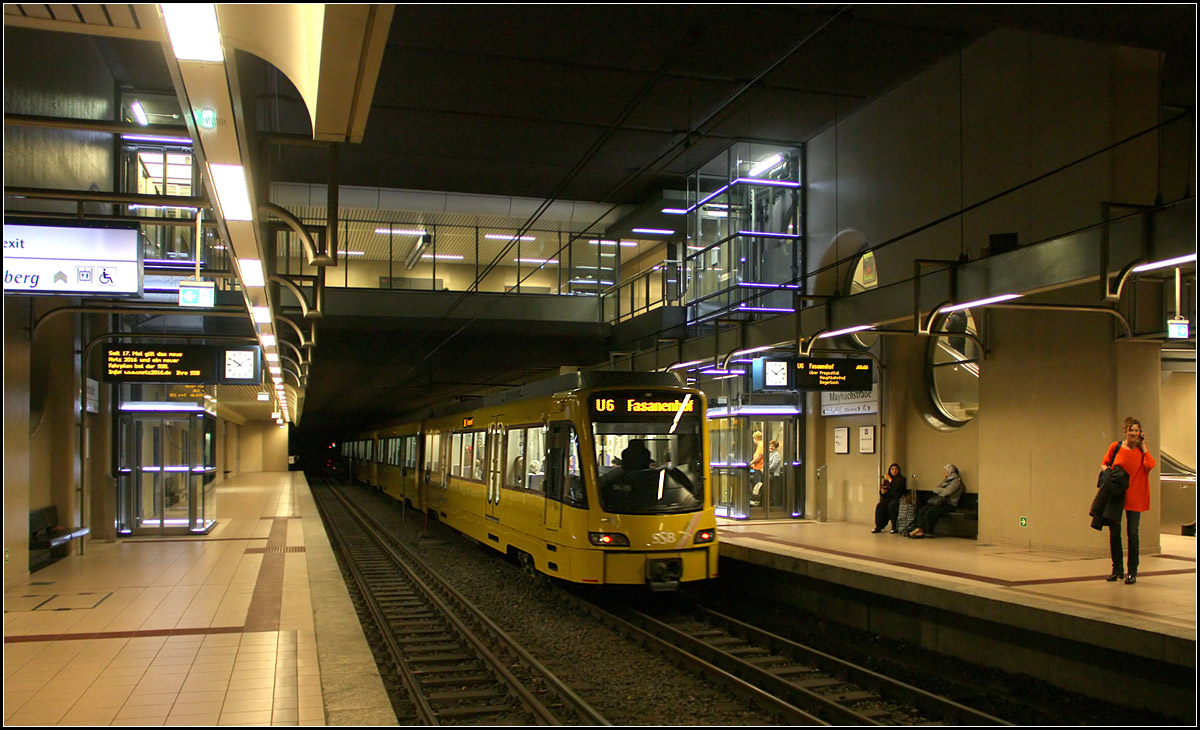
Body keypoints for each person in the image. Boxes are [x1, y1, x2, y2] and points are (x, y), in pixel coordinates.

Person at [1103, 417, 1157, 584]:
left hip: (1135, 496)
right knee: (1114, 533)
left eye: (1136, 430)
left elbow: (1151, 465)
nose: (1133, 433)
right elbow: (1105, 463)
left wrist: (1144, 446)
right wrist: (1108, 474)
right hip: (1117, 495)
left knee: (1133, 534)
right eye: (1131, 430)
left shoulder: (1141, 451)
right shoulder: (1116, 446)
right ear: (1125, 431)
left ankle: (1132, 571)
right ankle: (1117, 569)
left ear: (1140, 433)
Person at [906, 464, 963, 538]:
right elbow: (935, 489)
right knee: (923, 510)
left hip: (949, 504)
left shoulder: (956, 482)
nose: (944, 473)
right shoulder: (945, 480)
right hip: (940, 502)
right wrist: (942, 491)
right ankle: (919, 529)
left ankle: (919, 529)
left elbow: (948, 492)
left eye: (945, 471)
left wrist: (941, 491)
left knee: (932, 512)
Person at [872, 463, 907, 533]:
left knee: (892, 506)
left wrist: (890, 480)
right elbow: (883, 491)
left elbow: (897, 488)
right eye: (892, 469)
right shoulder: (886, 481)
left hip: (897, 498)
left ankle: (894, 526)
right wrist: (882, 492)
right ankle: (879, 526)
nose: (894, 471)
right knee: (880, 506)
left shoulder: (901, 479)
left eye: (896, 469)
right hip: (888, 498)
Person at [749, 431, 764, 506]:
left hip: (759, 469)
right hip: (756, 468)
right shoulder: (759, 446)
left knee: (757, 486)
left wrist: (750, 463)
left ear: (756, 438)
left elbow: (758, 458)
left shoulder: (761, 445)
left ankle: (756, 502)